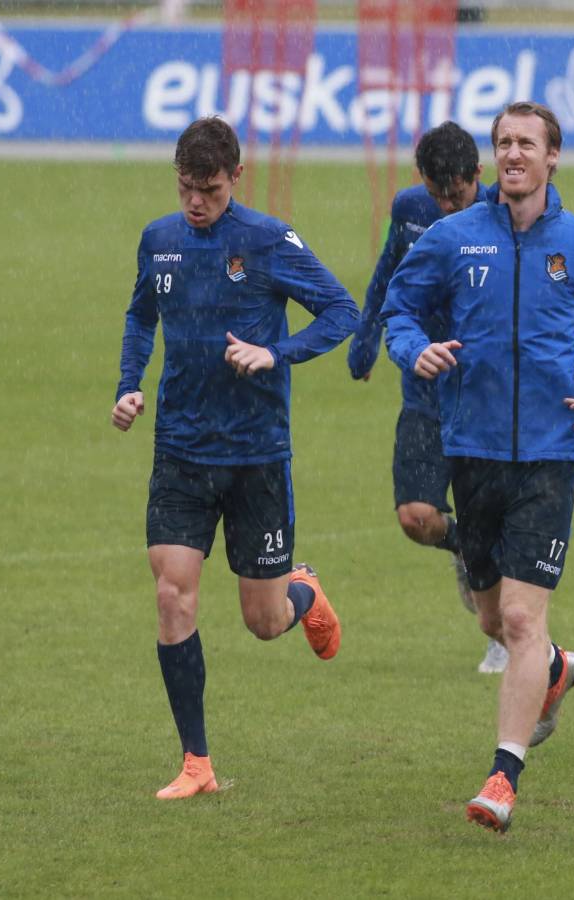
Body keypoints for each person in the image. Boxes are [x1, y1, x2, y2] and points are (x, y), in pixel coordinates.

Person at [381, 101, 574, 832]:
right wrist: (411, 350)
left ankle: (502, 775)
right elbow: (400, 309)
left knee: (523, 618)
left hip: (555, 451)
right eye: (503, 143)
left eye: (526, 143)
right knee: (492, 616)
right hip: (474, 447)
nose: (513, 154)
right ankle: (555, 670)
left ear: (553, 156)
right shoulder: (453, 238)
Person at [112, 116, 359, 799]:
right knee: (171, 596)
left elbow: (342, 312)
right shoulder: (159, 241)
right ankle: (197, 762)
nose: (197, 203)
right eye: (187, 188)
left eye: (211, 191)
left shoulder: (268, 240)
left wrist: (274, 353)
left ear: (236, 179)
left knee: (263, 621)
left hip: (255, 454)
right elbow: (140, 316)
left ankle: (300, 590)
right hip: (181, 452)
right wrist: (130, 386)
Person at [347, 121, 508, 676]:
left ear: (477, 178)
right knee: (416, 517)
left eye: (455, 195)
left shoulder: (505, 217)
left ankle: (504, 638)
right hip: (423, 393)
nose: (444, 206)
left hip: (485, 401)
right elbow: (388, 276)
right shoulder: (411, 209)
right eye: (436, 194)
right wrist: (366, 338)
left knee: (499, 525)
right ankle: (464, 547)